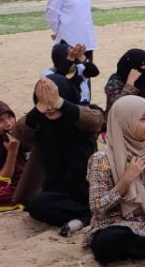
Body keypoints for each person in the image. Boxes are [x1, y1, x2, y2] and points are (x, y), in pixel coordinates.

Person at [85, 96, 145, 264]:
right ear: (124, 123)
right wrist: (126, 180)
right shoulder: (102, 160)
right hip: (117, 224)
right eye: (143, 119)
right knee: (105, 244)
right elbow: (97, 208)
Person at [24, 75, 99, 234]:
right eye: (45, 101)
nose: (50, 107)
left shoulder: (80, 115)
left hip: (87, 187)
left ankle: (85, 215)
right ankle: (85, 215)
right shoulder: (39, 122)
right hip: (56, 190)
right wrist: (39, 108)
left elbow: (96, 120)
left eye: (53, 101)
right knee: (36, 206)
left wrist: (61, 103)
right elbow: (19, 133)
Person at [45, 40, 100, 106]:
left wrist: (81, 57)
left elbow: (95, 72)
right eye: (70, 59)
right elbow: (60, 79)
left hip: (83, 108)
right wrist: (70, 58)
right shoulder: (49, 74)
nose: (74, 62)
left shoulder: (78, 69)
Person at [0, 101, 25, 212]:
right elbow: (2, 183)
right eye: (0, 120)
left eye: (9, 117)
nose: (8, 123)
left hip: (29, 181)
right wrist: (12, 152)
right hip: (10, 187)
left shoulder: (23, 134)